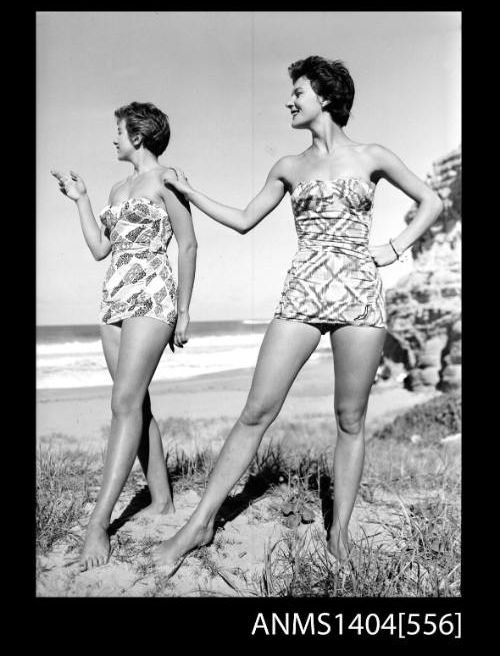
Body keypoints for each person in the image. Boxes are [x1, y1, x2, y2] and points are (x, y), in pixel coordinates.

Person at [153, 56, 442, 566]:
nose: (290, 100)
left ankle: (339, 534)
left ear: (326, 98)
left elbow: (432, 201)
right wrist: (189, 191)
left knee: (350, 418)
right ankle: (199, 525)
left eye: (299, 92)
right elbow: (244, 220)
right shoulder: (287, 166)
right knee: (256, 411)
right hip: (303, 291)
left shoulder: (372, 155)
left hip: (359, 293)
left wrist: (395, 248)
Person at [51, 102, 197, 571]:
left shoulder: (166, 177)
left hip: (152, 296)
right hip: (113, 294)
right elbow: (99, 249)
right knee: (136, 402)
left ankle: (99, 523)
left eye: (118, 130)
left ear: (139, 134)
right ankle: (162, 499)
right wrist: (81, 200)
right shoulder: (117, 188)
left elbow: (188, 242)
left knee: (123, 405)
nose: (112, 138)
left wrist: (186, 310)